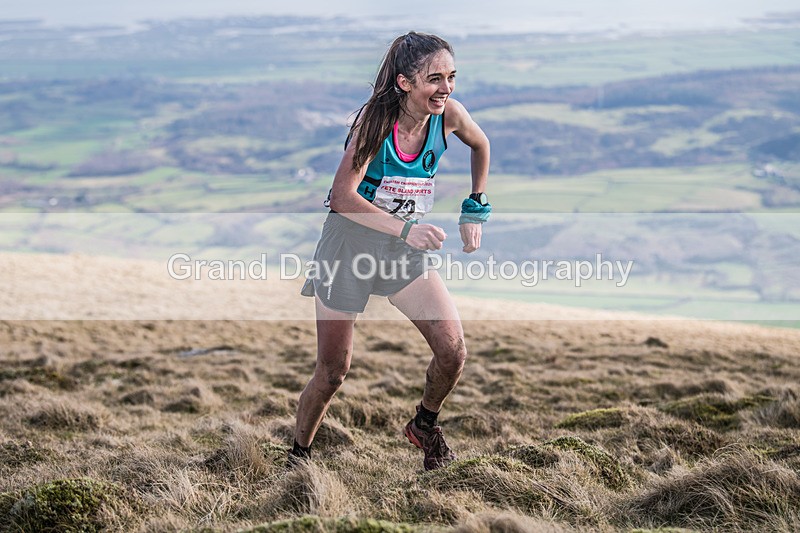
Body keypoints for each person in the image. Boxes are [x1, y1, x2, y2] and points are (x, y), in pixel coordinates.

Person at [291, 31, 491, 471]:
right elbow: (341, 196)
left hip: (402, 250)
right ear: (405, 83)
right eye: (434, 79)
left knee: (453, 349)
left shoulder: (450, 115)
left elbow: (481, 144)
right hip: (348, 246)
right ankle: (299, 456)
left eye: (451, 77)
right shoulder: (376, 126)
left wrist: (475, 209)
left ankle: (424, 424)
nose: (446, 88)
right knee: (332, 372)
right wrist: (406, 230)